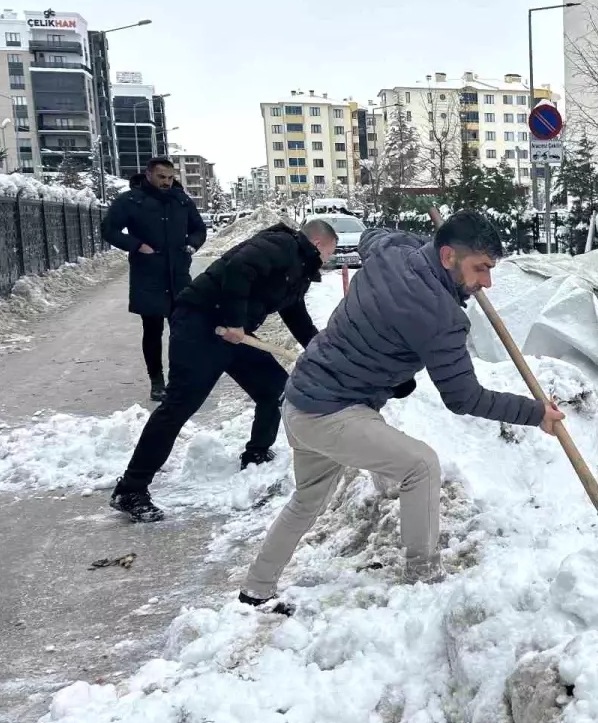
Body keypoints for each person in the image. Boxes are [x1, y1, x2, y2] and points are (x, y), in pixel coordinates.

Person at [239, 211, 565, 608]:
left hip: (301, 397)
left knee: (308, 500)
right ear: (448, 256)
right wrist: (536, 413)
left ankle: (256, 587)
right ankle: (423, 577)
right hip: (333, 412)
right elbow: (463, 397)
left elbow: (372, 236)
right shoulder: (440, 316)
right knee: (421, 466)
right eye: (480, 268)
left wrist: (421, 244)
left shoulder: (390, 252)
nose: (487, 283)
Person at [108, 219, 339, 523]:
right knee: (179, 405)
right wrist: (234, 321)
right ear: (318, 244)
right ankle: (131, 489)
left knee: (275, 389)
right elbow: (238, 269)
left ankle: (256, 453)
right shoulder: (281, 245)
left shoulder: (299, 269)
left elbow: (294, 313)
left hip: (234, 333)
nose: (329, 259)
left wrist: (319, 350)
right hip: (200, 324)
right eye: (330, 252)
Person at [101, 158, 206, 402]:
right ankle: (157, 382)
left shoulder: (181, 200)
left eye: (170, 177)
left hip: (178, 274)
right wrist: (137, 245)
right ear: (148, 175)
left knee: (183, 329)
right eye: (161, 177)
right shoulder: (131, 201)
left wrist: (192, 245)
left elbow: (199, 229)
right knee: (152, 330)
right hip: (148, 274)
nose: (166, 182)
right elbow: (109, 230)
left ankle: (181, 378)